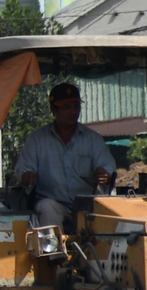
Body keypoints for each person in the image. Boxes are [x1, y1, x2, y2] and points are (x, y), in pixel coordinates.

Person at [15, 82, 116, 228]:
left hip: (85, 205)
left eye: (76, 106)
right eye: (67, 107)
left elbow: (108, 166)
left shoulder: (92, 139)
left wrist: (105, 175)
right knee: (46, 207)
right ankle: (52, 250)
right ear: (53, 110)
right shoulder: (37, 140)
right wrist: (26, 176)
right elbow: (23, 169)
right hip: (54, 204)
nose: (73, 112)